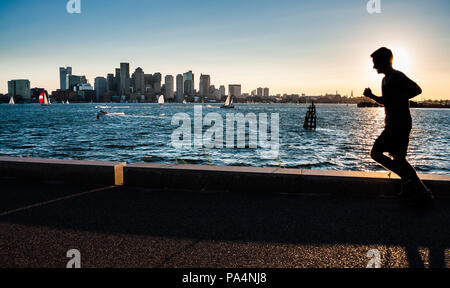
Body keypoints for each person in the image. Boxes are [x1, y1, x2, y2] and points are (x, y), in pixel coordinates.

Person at [363, 47, 434, 203]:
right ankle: (422, 191)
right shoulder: (385, 79)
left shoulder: (396, 76)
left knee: (375, 153)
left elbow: (417, 89)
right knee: (399, 159)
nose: (374, 67)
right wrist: (371, 96)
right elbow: (385, 101)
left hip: (398, 125)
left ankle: (408, 180)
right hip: (395, 124)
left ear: (384, 61)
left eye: (376, 63)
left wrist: (398, 98)